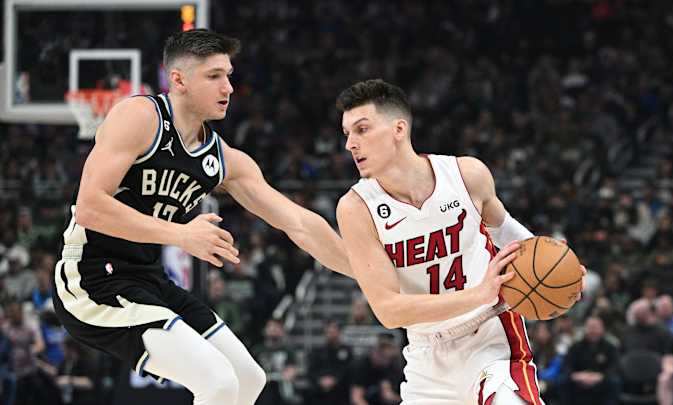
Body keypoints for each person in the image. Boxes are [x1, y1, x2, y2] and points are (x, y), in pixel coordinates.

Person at [52, 29, 351, 405]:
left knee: (248, 379)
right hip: (91, 279)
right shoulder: (140, 117)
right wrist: (181, 235)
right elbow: (89, 208)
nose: (228, 87)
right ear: (179, 80)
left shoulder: (222, 158)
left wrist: (369, 274)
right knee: (218, 382)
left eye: (228, 75)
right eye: (214, 76)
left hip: (148, 280)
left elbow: (299, 222)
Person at [335, 79, 586, 404]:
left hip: (490, 337)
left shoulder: (466, 174)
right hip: (426, 357)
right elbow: (388, 311)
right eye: (347, 134)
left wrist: (562, 269)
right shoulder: (356, 208)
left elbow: (505, 231)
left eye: (362, 130)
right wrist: (478, 293)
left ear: (398, 129)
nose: (350, 144)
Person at [561, 316, 620, 405]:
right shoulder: (576, 347)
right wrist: (575, 375)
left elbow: (614, 366)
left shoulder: (610, 347)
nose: (593, 331)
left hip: (601, 380)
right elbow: (567, 365)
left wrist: (601, 376)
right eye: (590, 328)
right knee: (562, 380)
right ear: (585, 329)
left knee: (615, 382)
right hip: (579, 379)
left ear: (602, 329)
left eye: (596, 328)